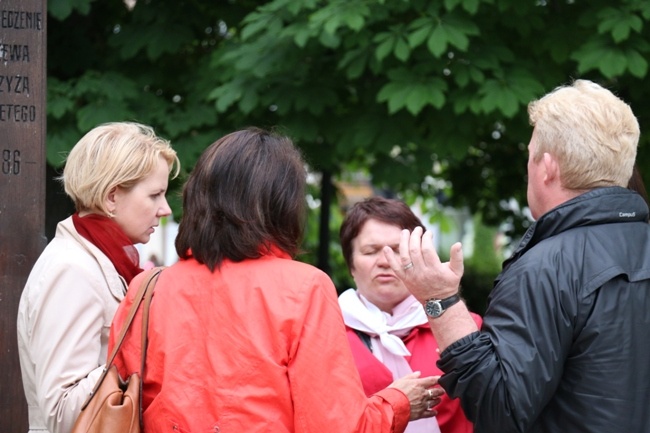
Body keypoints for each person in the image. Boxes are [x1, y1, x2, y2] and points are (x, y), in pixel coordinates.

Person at [108, 127, 443, 433]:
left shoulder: (148, 288)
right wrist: (397, 403)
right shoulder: (303, 288)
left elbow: (126, 399)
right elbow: (335, 426)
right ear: (282, 203)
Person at [383, 79, 650, 433]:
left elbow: (499, 408)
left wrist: (439, 301)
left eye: (530, 155)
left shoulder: (547, 267)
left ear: (547, 167)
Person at [17, 122, 180, 433]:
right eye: (155, 195)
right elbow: (62, 412)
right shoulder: (72, 271)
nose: (165, 209)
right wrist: (142, 351)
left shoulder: (96, 260)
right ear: (111, 197)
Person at [338, 196, 482, 433]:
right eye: (371, 251)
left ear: (417, 257)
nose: (385, 261)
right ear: (351, 264)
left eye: (396, 250)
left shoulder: (460, 326)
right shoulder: (327, 331)